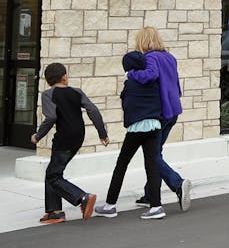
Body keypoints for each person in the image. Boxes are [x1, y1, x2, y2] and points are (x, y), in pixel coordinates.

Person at [30, 62, 109, 224]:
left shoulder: (48, 94)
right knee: (53, 171)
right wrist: (102, 133)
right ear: (64, 77)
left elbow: (51, 117)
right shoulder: (76, 92)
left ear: (48, 80)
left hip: (64, 138)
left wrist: (38, 135)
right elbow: (92, 110)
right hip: (78, 136)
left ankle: (82, 197)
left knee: (53, 176)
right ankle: (54, 212)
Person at [125, 26, 191, 212]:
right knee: (155, 153)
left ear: (142, 41)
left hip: (159, 112)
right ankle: (150, 194)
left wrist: (130, 74)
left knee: (152, 155)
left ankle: (178, 183)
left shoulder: (151, 57)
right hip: (173, 110)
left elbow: (150, 75)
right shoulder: (169, 57)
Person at [95, 50, 165, 220]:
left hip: (136, 128)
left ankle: (110, 205)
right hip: (155, 125)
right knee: (152, 165)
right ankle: (156, 206)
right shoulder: (154, 81)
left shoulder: (131, 84)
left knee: (121, 165)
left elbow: (127, 105)